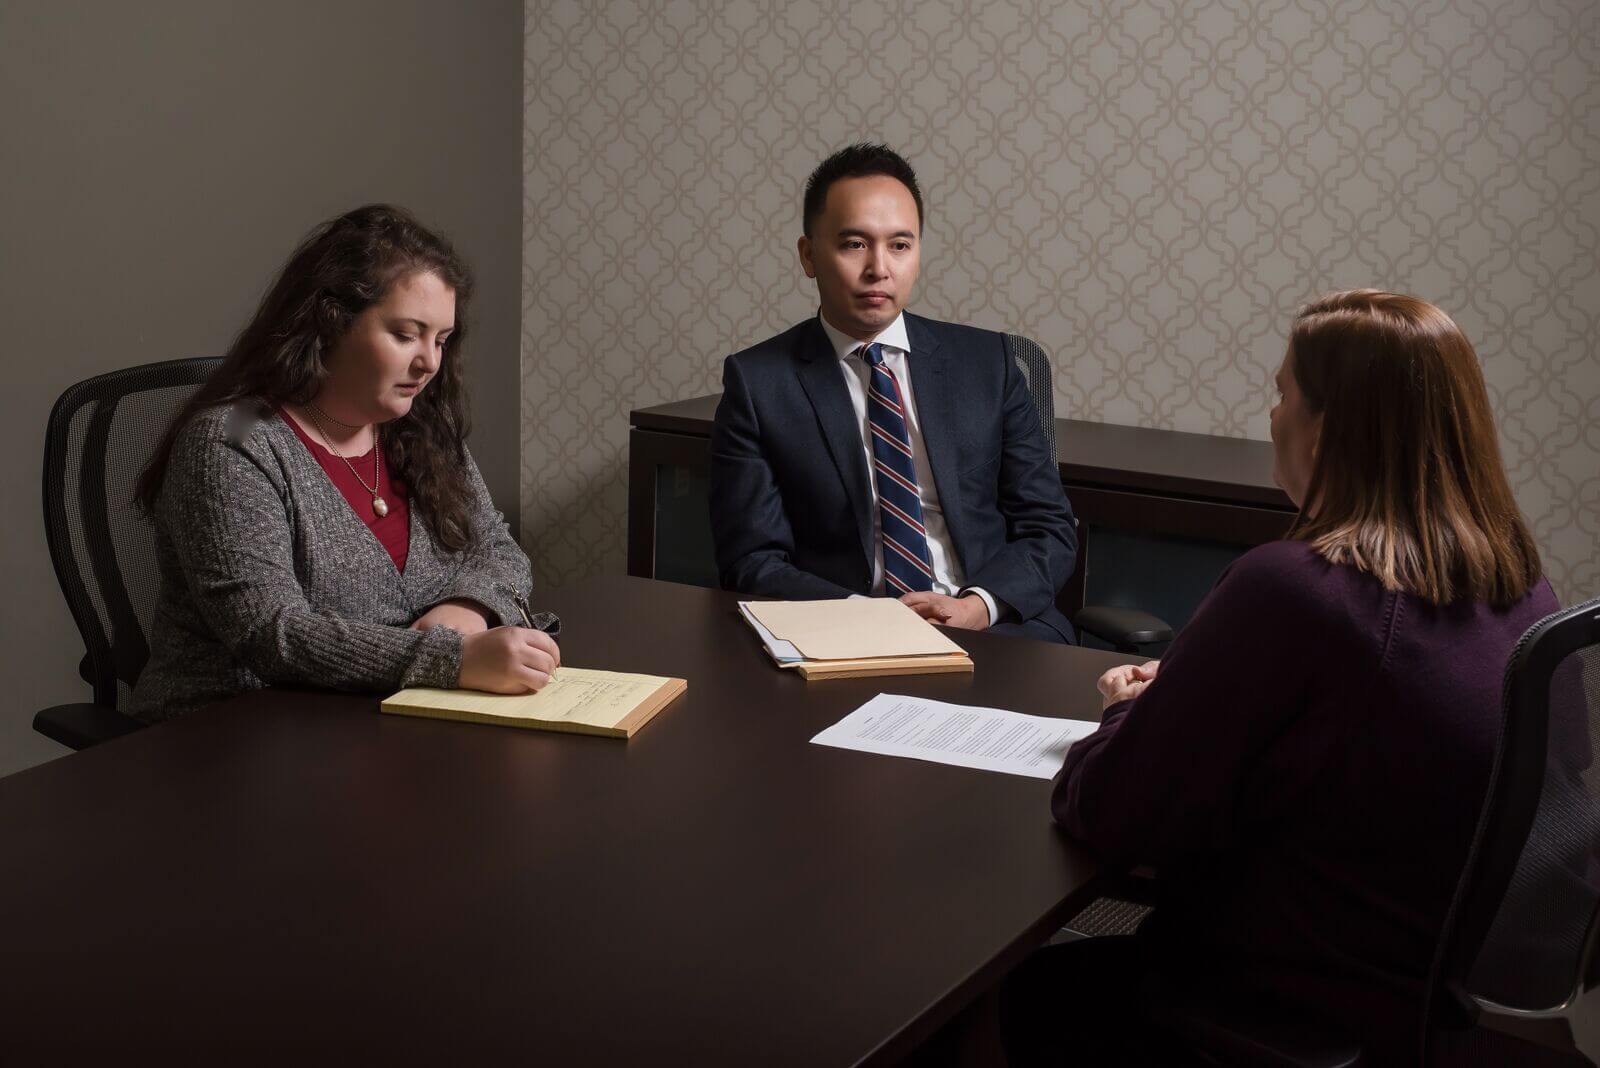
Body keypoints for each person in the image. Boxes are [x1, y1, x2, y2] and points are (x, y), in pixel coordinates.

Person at [999, 290, 1557, 1066]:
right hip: (1422, 988)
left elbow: (1105, 809)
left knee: (994, 1005)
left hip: (1281, 1000)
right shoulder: (1519, 581)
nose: (1272, 413)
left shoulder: (1296, 588)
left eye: (1282, 392)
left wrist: (1128, 710)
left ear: (1329, 430)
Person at [130, 205, 559, 722]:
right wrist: (452, 659)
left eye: (440, 340)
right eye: (405, 334)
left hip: (387, 722)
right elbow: (270, 631)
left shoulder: (419, 428)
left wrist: (469, 609)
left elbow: (495, 545)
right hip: (233, 736)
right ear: (330, 324)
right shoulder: (232, 445)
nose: (428, 363)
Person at [709, 143, 1078, 643]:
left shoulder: (988, 365)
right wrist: (870, 617)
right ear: (809, 255)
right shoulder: (759, 383)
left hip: (992, 629)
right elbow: (751, 559)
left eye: (900, 245)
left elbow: (1049, 529)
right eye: (854, 244)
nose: (879, 268)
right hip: (845, 634)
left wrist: (978, 605)